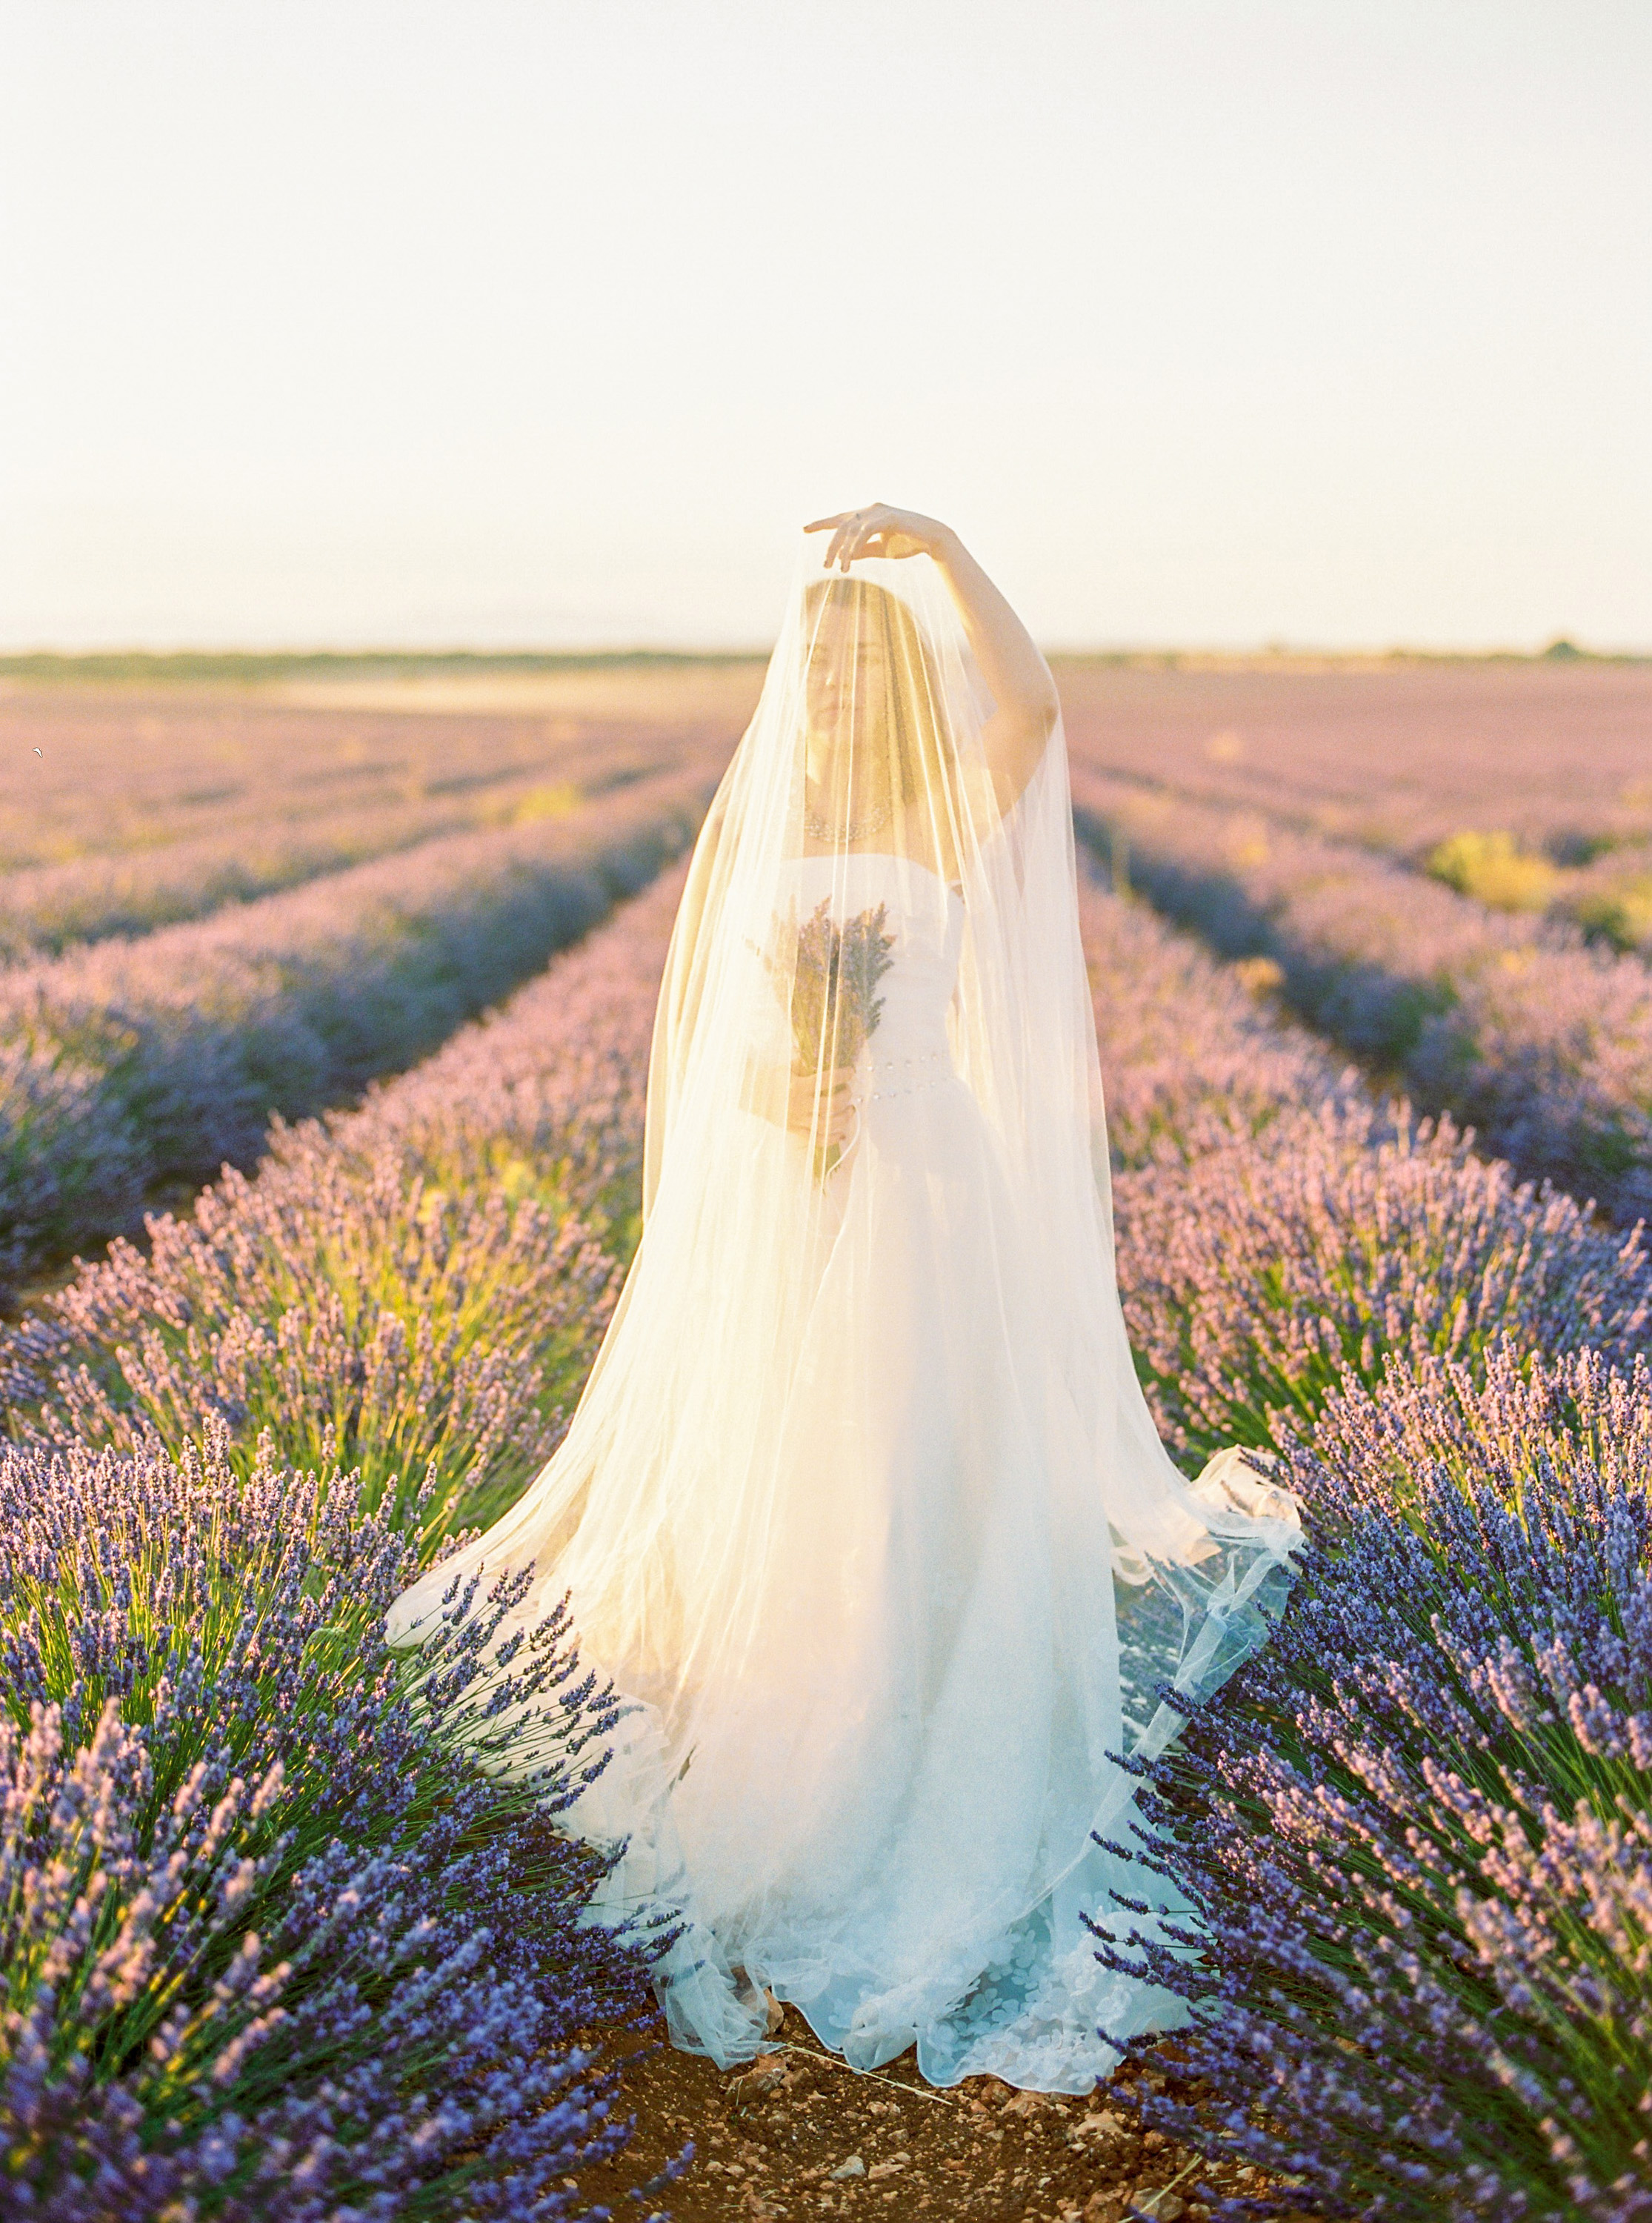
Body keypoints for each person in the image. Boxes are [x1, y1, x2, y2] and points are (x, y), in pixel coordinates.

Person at [387, 505, 1300, 2093]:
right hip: (784, 1193)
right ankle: (790, 1773)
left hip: (923, 1191)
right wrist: (788, 1100)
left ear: (883, 675)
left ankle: (915, 1774)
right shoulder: (755, 838)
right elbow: (725, 1044)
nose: (817, 692)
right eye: (804, 667)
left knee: (901, 1476)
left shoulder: (946, 811)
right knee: (787, 1484)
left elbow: (1030, 707)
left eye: (838, 666)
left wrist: (939, 548)